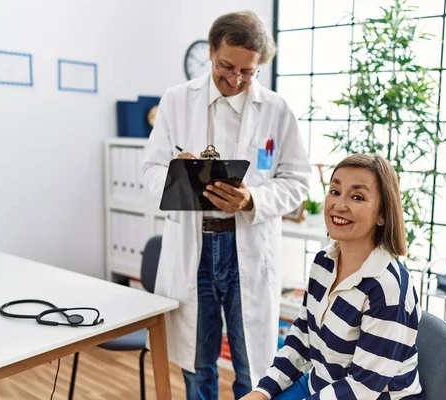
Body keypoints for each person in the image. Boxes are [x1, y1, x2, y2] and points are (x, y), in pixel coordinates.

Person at [141, 10, 311, 400]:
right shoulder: (176, 101)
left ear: (260, 66)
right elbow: (150, 170)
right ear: (211, 52)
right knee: (197, 364)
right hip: (194, 245)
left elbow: (298, 181)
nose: (235, 79)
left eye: (247, 72)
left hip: (245, 245)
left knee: (251, 365)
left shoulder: (276, 110)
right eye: (225, 66)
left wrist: (254, 199)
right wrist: (174, 175)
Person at [243, 154, 425, 400]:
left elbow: (362, 388)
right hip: (320, 385)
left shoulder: (388, 288)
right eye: (335, 191)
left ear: (382, 214)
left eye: (357, 196)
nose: (339, 205)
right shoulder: (323, 263)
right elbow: (301, 338)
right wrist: (262, 391)